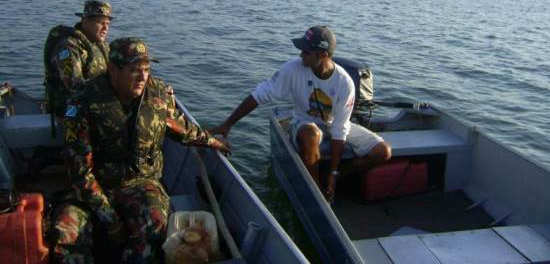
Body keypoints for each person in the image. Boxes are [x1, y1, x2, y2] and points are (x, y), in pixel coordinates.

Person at [51, 37, 230, 263]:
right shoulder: (81, 103)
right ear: (113, 69)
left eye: (146, 69)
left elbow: (184, 130)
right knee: (65, 232)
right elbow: (79, 171)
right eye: (134, 69)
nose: (143, 76)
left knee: (155, 225)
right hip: (93, 186)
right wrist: (111, 220)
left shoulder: (158, 97)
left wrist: (214, 142)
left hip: (140, 182)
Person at [211, 26, 391, 202]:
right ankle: (317, 190)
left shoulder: (345, 83)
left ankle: (332, 176)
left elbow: (340, 129)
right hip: (303, 123)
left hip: (335, 124)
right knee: (311, 135)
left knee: (383, 152)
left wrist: (335, 172)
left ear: (323, 55)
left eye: (306, 52)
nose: (300, 55)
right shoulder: (292, 69)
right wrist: (228, 124)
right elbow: (259, 95)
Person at [44, 0, 112, 119]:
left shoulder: (100, 45)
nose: (105, 28)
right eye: (100, 23)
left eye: (107, 23)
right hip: (69, 108)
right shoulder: (67, 47)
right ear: (85, 22)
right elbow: (74, 86)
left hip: (94, 101)